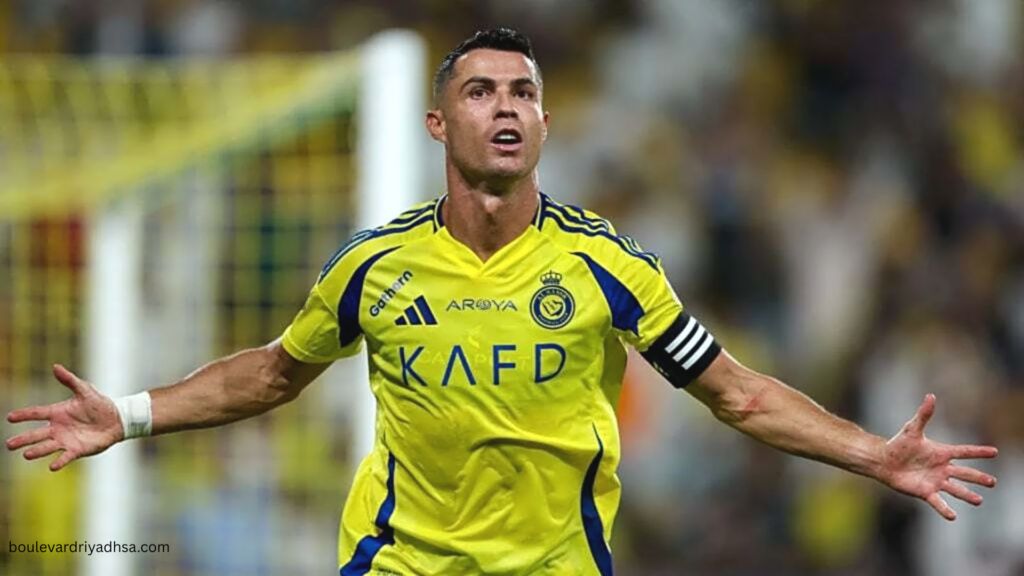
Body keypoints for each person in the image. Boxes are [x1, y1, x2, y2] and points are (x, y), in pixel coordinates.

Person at [5, 28, 999, 575]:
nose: (507, 107)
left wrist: (873, 453)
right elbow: (270, 375)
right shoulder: (373, 267)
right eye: (481, 92)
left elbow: (734, 393)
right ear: (440, 123)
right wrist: (129, 415)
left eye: (522, 92)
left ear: (546, 121)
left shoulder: (610, 267)